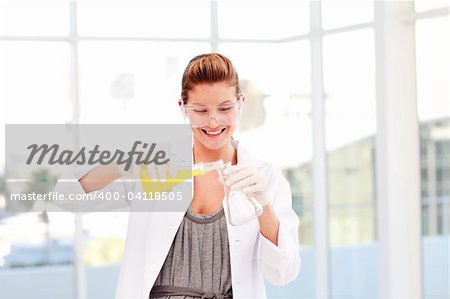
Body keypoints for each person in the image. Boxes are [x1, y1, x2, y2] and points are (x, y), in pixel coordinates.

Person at [56, 53, 301, 298]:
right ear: (183, 108)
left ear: (241, 103)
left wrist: (263, 205)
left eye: (225, 108)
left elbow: (283, 273)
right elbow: (68, 197)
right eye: (201, 110)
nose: (213, 121)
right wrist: (121, 164)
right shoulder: (156, 166)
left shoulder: (265, 178)